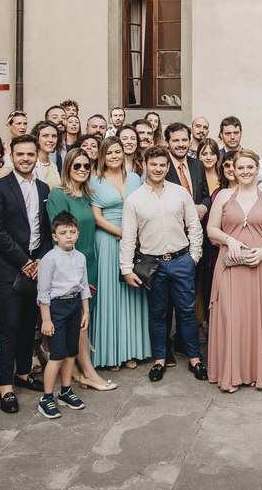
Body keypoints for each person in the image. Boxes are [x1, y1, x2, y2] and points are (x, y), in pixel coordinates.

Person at [203, 149, 262, 392]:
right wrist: (229, 241)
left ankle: (257, 372)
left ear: (257, 169)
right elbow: (212, 228)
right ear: (233, 170)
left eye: (249, 167)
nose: (244, 172)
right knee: (233, 318)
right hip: (230, 267)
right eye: (240, 168)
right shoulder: (223, 196)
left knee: (259, 318)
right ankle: (232, 373)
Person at [121, 146, 206, 382]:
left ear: (167, 167)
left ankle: (194, 359)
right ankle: (159, 360)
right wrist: (127, 269)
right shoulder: (134, 200)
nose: (158, 169)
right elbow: (128, 237)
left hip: (181, 261)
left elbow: (194, 227)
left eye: (162, 165)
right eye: (153, 164)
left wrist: (194, 256)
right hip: (152, 265)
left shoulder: (180, 193)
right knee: (157, 314)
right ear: (145, 166)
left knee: (187, 313)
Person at [0, 134, 53, 414]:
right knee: (10, 326)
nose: (25, 158)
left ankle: (23, 373)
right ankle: (5, 387)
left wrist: (39, 260)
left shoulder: (44, 187)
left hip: (36, 268)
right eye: (20, 154)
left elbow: (46, 229)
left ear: (36, 156)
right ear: (10, 156)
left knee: (29, 325)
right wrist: (23, 260)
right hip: (7, 268)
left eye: (30, 154)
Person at [45, 151, 115, 392]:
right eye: (77, 165)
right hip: (69, 267)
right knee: (78, 322)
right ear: (67, 167)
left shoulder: (86, 195)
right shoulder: (58, 195)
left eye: (87, 165)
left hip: (89, 263)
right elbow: (60, 234)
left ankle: (74, 370)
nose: (83, 169)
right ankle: (89, 373)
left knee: (84, 318)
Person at [87, 137, 149, 371]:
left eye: (117, 151)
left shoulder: (134, 178)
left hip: (133, 242)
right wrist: (122, 232)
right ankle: (110, 352)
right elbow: (96, 216)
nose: (114, 156)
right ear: (102, 156)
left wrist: (134, 235)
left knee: (131, 295)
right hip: (107, 240)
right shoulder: (95, 181)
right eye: (109, 152)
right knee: (109, 296)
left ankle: (131, 349)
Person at [35, 211, 91, 419]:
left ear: (78, 234)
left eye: (72, 232)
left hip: (74, 305)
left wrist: (85, 311)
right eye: (63, 232)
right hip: (56, 309)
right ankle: (46, 397)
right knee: (56, 355)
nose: (68, 236)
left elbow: (84, 286)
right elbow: (43, 292)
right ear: (54, 236)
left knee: (70, 352)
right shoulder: (49, 259)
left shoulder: (80, 257)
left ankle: (65, 391)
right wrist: (46, 319)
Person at [32, 121, 63, 187]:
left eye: (54, 136)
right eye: (45, 136)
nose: (51, 140)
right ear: (36, 138)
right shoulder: (31, 165)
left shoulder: (53, 165)